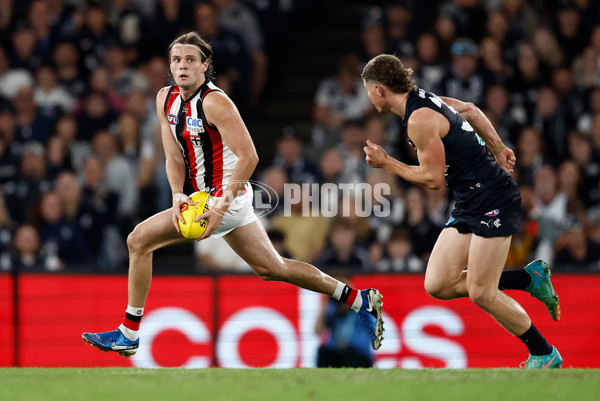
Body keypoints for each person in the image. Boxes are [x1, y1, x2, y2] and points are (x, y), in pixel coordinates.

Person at [82, 32, 384, 357]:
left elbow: (250, 156)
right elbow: (172, 157)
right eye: (176, 60)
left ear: (205, 65)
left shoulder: (215, 102)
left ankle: (129, 332)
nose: (182, 66)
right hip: (201, 198)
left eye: (190, 60)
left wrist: (220, 206)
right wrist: (175, 194)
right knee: (273, 268)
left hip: (227, 197)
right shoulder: (163, 99)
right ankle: (358, 299)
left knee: (138, 240)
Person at [361, 54, 562, 369]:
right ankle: (526, 278)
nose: (368, 96)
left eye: (369, 89)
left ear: (380, 90)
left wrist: (387, 163)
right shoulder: (423, 100)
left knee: (482, 292)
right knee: (438, 284)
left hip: (493, 198)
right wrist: (499, 148)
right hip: (471, 201)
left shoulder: (419, 119)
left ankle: (543, 353)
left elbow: (433, 179)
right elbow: (470, 109)